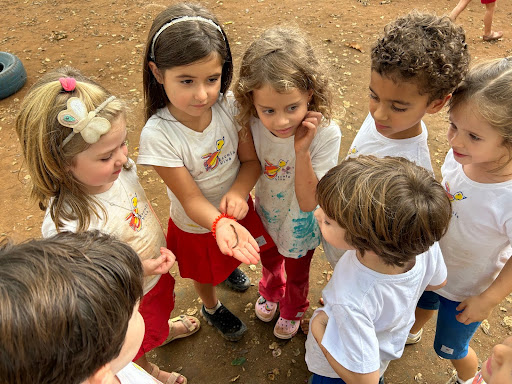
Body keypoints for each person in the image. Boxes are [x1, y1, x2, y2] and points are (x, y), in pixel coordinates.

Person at [15, 67, 196, 384]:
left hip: (155, 277)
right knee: (132, 348)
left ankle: (162, 333)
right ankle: (149, 369)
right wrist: (140, 267)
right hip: (123, 303)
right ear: (61, 163)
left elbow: (136, 203)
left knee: (156, 319)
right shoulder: (65, 225)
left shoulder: (120, 169)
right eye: (105, 156)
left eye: (123, 144)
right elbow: (86, 285)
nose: (122, 158)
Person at [138, 2, 263, 342]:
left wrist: (238, 193)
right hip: (196, 225)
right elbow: (190, 197)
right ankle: (210, 306)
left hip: (234, 210)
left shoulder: (230, 106)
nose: (202, 93)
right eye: (187, 80)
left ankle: (228, 273)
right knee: (205, 273)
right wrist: (220, 222)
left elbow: (251, 163)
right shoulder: (158, 135)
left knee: (228, 258)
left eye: (213, 79)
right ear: (157, 72)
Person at [323, 11, 470, 268]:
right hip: (341, 243)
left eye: (398, 107)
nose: (378, 113)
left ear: (436, 104)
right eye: (374, 95)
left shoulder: (412, 170)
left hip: (363, 261)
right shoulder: (384, 119)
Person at [407, 57, 512, 384]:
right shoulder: (460, 156)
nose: (455, 141)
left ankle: (468, 379)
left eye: (473, 136)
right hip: (432, 265)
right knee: (422, 303)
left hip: (467, 291)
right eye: (453, 126)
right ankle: (411, 330)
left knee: (449, 349)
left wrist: (489, 299)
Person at [234, 26, 342, 339]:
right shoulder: (249, 123)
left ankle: (293, 306)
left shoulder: (325, 134)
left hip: (302, 223)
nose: (281, 121)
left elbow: (310, 202)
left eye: (292, 108)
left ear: (310, 91)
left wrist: (301, 150)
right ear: (250, 98)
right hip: (265, 213)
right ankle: (271, 289)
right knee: (268, 259)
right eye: (268, 109)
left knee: (297, 271)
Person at [305, 155, 451, 384]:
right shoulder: (420, 244)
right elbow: (437, 282)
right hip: (384, 345)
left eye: (328, 221)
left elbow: (365, 380)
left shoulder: (352, 297)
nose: (317, 214)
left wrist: (320, 332)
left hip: (337, 372)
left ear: (369, 241)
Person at [0, 230, 163, 384]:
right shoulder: (109, 362)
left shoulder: (99, 361)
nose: (139, 308)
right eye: (134, 311)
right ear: (102, 376)